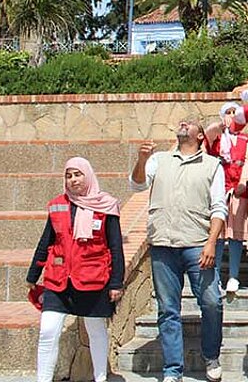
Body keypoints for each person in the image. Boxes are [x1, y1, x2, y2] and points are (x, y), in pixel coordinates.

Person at [129, 117, 226, 382]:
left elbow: (219, 207)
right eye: (181, 122)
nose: (183, 124)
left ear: (200, 135)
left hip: (197, 244)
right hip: (163, 244)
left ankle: (211, 355)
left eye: (190, 123)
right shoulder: (158, 159)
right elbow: (137, 184)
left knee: (211, 302)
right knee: (168, 308)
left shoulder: (212, 165)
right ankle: (173, 369)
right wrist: (141, 160)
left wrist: (211, 242)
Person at [27, 157, 124, 382]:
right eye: (68, 176)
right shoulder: (57, 205)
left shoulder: (106, 205)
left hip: (93, 278)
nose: (73, 180)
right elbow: (46, 241)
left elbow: (116, 247)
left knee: (96, 331)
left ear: (88, 175)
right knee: (48, 331)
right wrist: (33, 274)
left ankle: (100, 378)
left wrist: (116, 283)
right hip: (58, 280)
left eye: (77, 175)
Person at [205, 103, 248, 296]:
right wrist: (220, 125)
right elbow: (207, 134)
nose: (232, 116)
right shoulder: (215, 139)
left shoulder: (246, 139)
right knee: (218, 232)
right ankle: (215, 275)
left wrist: (243, 182)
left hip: (237, 191)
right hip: (218, 189)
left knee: (235, 233)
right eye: (228, 113)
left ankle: (233, 275)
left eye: (235, 113)